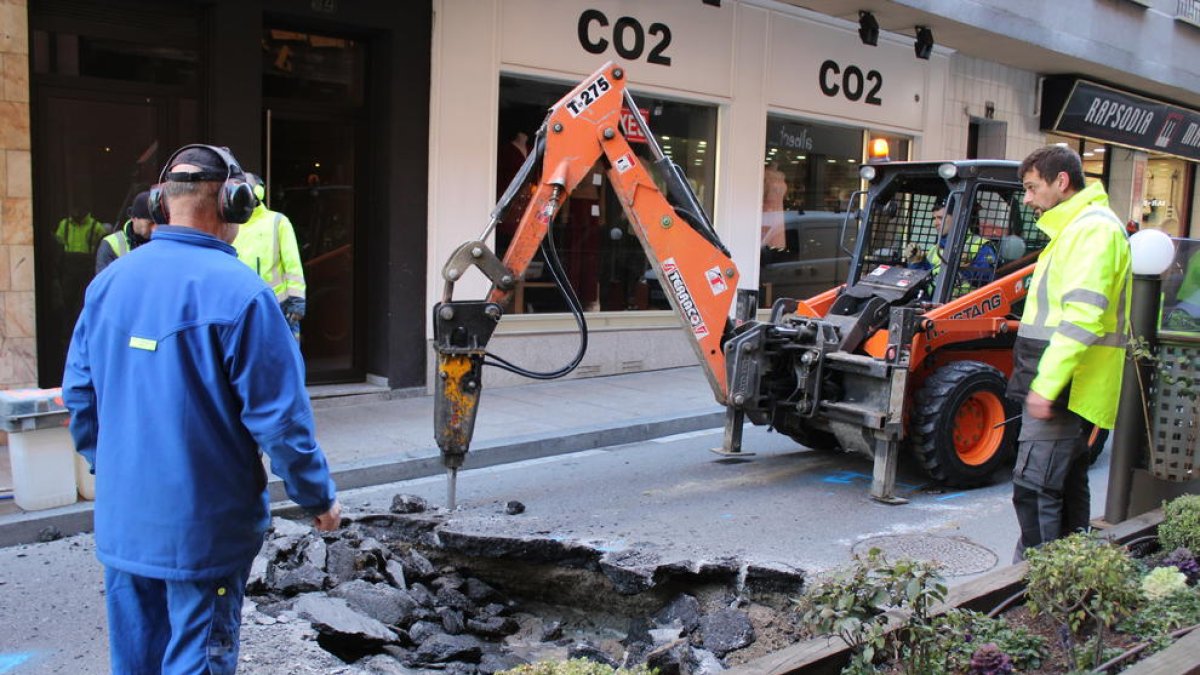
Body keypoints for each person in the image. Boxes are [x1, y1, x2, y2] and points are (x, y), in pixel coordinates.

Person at [62, 144, 340, 674]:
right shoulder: (245, 296)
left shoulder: (108, 285)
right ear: (232, 204)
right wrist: (317, 497)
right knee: (196, 659)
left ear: (162, 202)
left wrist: (114, 465)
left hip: (124, 522)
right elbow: (281, 422)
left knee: (137, 661)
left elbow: (79, 396)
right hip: (204, 531)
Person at [1007, 145, 1131, 561]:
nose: (1026, 198)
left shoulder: (1090, 230)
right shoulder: (1081, 228)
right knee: (1063, 482)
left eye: (1031, 187)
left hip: (1063, 386)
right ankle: (1071, 574)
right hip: (1064, 383)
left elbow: (1082, 319)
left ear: (1062, 182)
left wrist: (1045, 387)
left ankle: (1035, 584)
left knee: (1035, 487)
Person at [232, 173, 307, 340]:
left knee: (284, 361)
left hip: (278, 307)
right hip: (241, 307)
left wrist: (297, 300)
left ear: (258, 191)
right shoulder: (231, 225)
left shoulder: (277, 221)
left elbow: (292, 265)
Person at [908, 196, 998, 289]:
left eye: (940, 218)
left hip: (966, 302)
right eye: (933, 219)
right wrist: (916, 263)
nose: (935, 223)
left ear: (957, 218)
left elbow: (989, 279)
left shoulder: (981, 246)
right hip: (935, 302)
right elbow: (922, 285)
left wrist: (966, 268)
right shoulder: (935, 250)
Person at [95, 190, 156, 274]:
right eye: (150, 223)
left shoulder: (162, 242)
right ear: (134, 218)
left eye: (158, 224)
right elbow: (104, 283)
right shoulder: (110, 244)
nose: (154, 229)